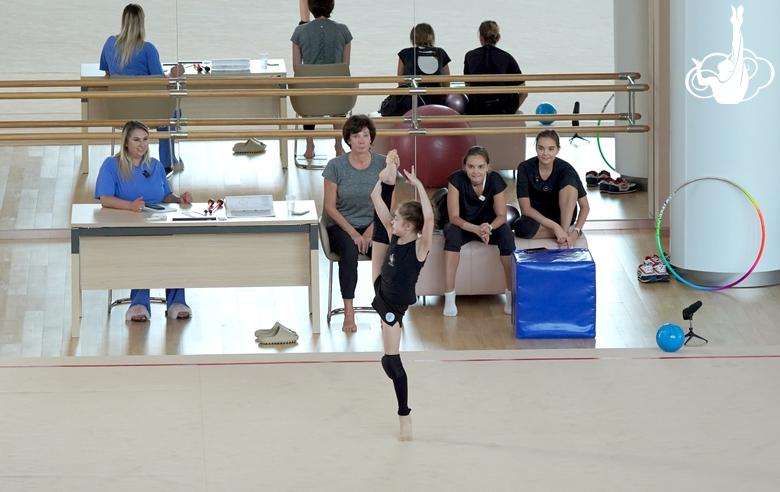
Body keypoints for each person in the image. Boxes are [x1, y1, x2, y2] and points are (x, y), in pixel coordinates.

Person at [94, 120, 194, 322]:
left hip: (156, 222)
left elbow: (165, 195)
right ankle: (139, 304)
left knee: (175, 248)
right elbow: (105, 199)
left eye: (146, 139)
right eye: (136, 140)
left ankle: (177, 303)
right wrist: (129, 206)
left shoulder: (155, 165)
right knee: (143, 249)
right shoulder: (111, 165)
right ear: (126, 143)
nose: (142, 144)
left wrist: (179, 199)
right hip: (127, 226)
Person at [370, 157, 434, 441]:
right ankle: (390, 175)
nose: (393, 221)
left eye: (397, 219)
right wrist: (383, 175)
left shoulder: (420, 248)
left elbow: (429, 219)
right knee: (378, 226)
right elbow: (374, 197)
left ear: (408, 226)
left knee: (391, 363)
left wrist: (419, 186)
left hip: (393, 306)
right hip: (380, 285)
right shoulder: (396, 235)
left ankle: (404, 415)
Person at [322, 115, 390, 332]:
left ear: (371, 139)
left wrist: (371, 230)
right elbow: (330, 207)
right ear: (348, 140)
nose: (361, 140)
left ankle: (385, 308)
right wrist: (353, 233)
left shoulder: (383, 164)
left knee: (386, 251)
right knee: (349, 254)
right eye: (356, 136)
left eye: (365, 135)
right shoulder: (335, 166)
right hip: (342, 226)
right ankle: (349, 312)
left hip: (375, 223)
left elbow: (389, 203)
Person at [99, 3, 185, 174]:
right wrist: (173, 73)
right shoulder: (148, 49)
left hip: (119, 111)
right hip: (148, 113)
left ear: (123, 21)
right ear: (141, 23)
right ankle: (168, 162)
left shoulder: (109, 44)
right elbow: (160, 82)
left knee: (163, 110)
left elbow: (108, 72)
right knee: (171, 112)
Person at [443, 146, 515, 317]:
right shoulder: (455, 179)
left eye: (481, 167)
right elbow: (454, 217)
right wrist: (476, 229)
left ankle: (511, 294)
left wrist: (488, 228)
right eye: (471, 167)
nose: (476, 171)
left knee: (506, 235)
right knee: (452, 235)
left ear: (488, 167)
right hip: (463, 225)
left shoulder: (495, 180)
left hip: (487, 226)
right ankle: (449, 296)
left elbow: (501, 216)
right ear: (464, 166)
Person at [291, 0, 353, 159]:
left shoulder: (299, 32)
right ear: (331, 7)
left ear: (310, 8)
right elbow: (345, 66)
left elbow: (296, 67)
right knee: (338, 101)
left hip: (309, 97)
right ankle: (338, 147)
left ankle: (309, 146)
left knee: (308, 97)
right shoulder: (343, 30)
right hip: (337, 96)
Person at [514, 129, 590, 249]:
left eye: (551, 149)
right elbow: (525, 209)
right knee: (520, 227)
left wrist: (575, 232)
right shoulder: (525, 167)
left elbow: (585, 206)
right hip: (538, 217)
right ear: (536, 148)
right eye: (541, 148)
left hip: (562, 215)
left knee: (569, 182)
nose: (545, 153)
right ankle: (561, 234)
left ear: (558, 149)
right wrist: (555, 227)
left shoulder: (566, 168)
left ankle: (563, 233)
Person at [463, 20, 527, 115]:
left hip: (477, 110)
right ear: (498, 38)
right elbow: (524, 93)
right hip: (502, 110)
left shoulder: (470, 56)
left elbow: (468, 87)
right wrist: (510, 111)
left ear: (480, 38)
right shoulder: (507, 57)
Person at [397, 23, 451, 108]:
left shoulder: (405, 53)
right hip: (437, 101)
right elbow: (446, 84)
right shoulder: (440, 52)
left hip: (411, 102)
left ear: (413, 38)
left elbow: (401, 83)